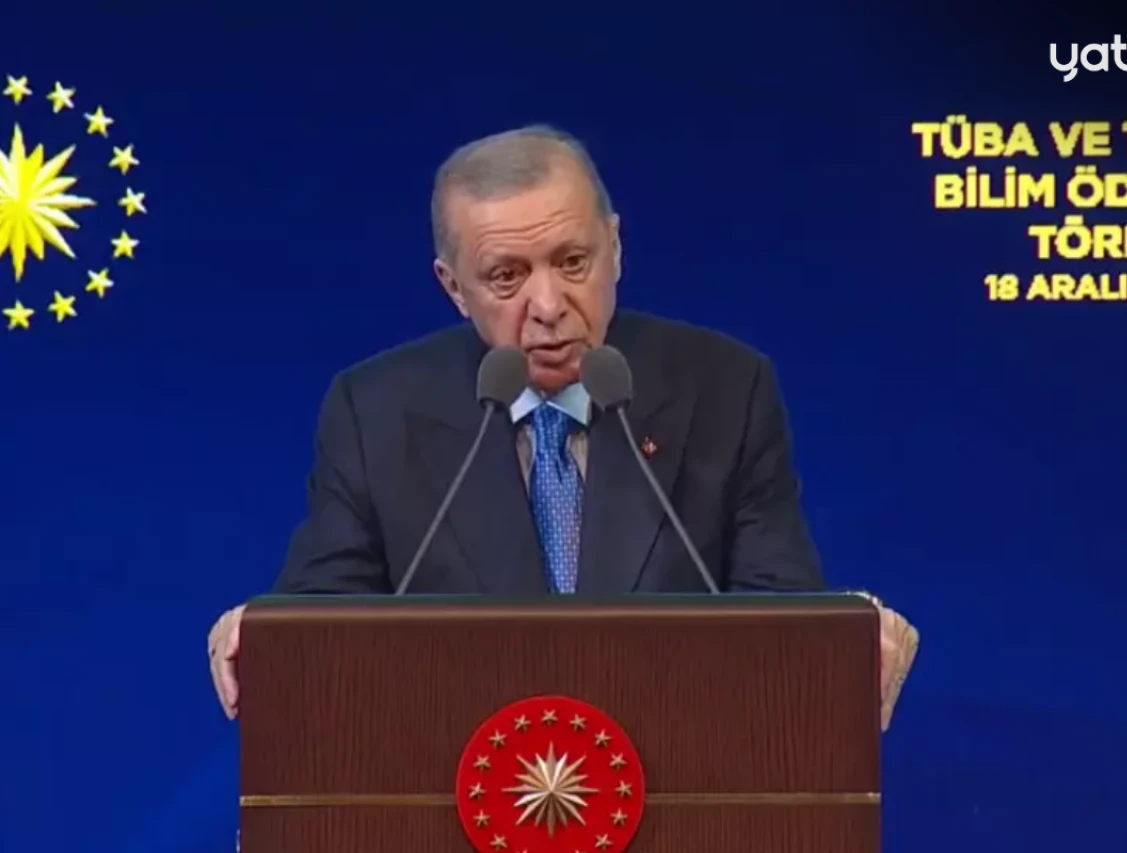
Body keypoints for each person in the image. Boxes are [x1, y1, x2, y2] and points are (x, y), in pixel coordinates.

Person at [207, 124, 918, 726]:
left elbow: (781, 615)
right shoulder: (376, 410)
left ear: (617, 247)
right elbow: (323, 619)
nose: (549, 306)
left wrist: (840, 636)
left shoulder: (726, 390)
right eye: (507, 276)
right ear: (453, 288)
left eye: (573, 261)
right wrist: (266, 635)